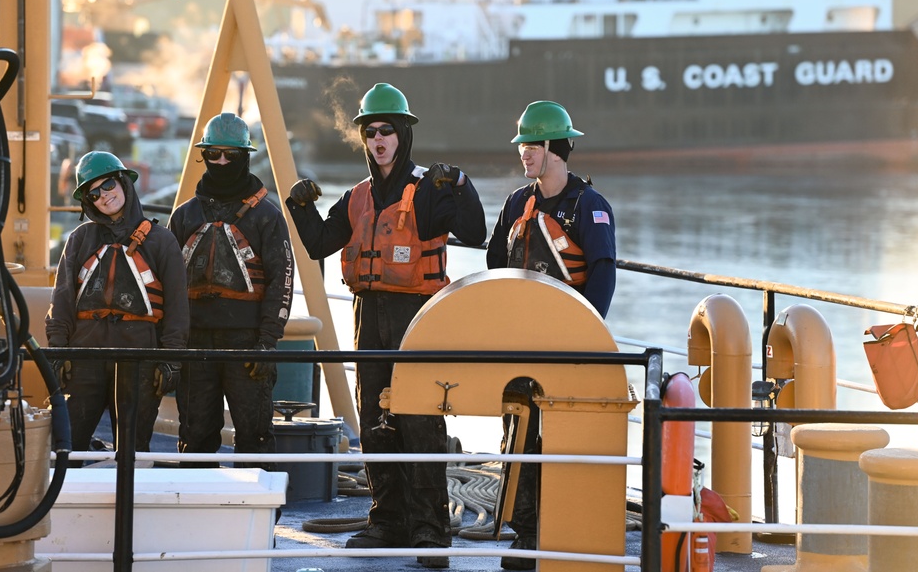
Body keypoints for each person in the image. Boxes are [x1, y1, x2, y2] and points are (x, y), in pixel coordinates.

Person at [286, 82, 487, 569]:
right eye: (370, 131)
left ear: (403, 134)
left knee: (420, 423)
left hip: (416, 320)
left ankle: (431, 532)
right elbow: (318, 244)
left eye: (387, 131)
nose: (378, 139)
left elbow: (476, 233)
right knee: (376, 425)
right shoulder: (356, 199)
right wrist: (299, 205)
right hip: (368, 319)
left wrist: (460, 185)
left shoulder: (427, 189)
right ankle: (387, 521)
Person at [486, 100, 617, 570]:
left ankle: (558, 530)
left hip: (567, 344)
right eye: (521, 145)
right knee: (518, 434)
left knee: (560, 437)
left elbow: (602, 275)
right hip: (519, 342)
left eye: (529, 145)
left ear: (551, 148)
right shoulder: (515, 203)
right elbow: (494, 266)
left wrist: (585, 336)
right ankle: (525, 535)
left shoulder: (589, 206)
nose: (522, 153)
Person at [168, 113, 294, 469]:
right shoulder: (183, 217)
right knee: (194, 436)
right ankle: (198, 516)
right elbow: (169, 288)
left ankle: (256, 519)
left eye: (231, 155)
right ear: (204, 155)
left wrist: (267, 343)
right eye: (214, 154)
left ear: (245, 156)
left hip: (249, 343)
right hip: (195, 344)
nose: (222, 162)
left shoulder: (267, 217)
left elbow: (282, 282)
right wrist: (172, 347)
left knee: (254, 436)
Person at [46, 151, 188, 463]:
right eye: (93, 193)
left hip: (139, 356)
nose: (104, 197)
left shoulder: (161, 241)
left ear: (123, 182)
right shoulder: (80, 239)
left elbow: (178, 307)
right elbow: (63, 299)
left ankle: (128, 510)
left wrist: (171, 360)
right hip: (84, 355)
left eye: (108, 185)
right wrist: (58, 351)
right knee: (67, 443)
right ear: (88, 202)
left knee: (133, 450)